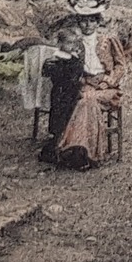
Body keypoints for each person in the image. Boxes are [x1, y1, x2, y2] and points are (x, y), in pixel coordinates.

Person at [53, 0, 126, 170]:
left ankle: (76, 149)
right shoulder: (74, 42)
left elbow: (121, 65)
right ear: (79, 22)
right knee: (87, 99)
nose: (87, 25)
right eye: (83, 21)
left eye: (91, 20)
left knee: (87, 100)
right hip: (85, 85)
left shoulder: (108, 40)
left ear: (98, 21)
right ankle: (85, 152)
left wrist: (108, 80)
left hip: (107, 88)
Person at [38, 24, 84, 166]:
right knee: (59, 119)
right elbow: (56, 74)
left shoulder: (72, 58)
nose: (72, 46)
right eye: (69, 43)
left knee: (71, 119)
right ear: (60, 43)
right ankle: (56, 149)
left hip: (71, 94)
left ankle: (68, 147)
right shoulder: (57, 59)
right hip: (61, 93)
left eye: (74, 43)